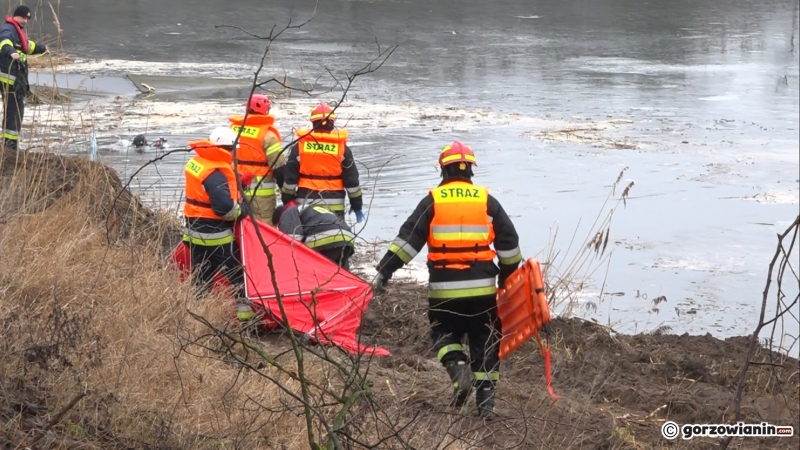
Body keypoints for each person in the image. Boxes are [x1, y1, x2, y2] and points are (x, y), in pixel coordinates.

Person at [372, 140, 523, 421]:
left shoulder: (433, 200)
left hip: (445, 290)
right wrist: (508, 277)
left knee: (443, 333)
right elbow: (510, 243)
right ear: (471, 171)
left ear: (443, 169)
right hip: (483, 290)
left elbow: (407, 242)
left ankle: (458, 370)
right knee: (486, 341)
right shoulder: (486, 200)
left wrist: (384, 271)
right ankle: (486, 405)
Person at [183, 127, 254, 322]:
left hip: (193, 231)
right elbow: (225, 208)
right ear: (227, 148)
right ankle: (246, 319)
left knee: (202, 276)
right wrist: (243, 211)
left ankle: (198, 315)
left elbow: (209, 191)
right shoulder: (215, 172)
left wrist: (240, 184)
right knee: (236, 272)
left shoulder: (199, 163)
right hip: (214, 235)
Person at [281, 102, 364, 223]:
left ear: (313, 122)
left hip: (305, 203)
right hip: (334, 206)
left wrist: (288, 201)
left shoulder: (299, 147)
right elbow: (352, 182)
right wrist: (357, 205)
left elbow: (289, 180)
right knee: (333, 237)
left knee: (304, 238)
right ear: (332, 123)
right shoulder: (342, 149)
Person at [228, 93, 285, 225]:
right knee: (263, 229)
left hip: (235, 188)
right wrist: (287, 193)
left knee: (237, 226)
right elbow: (279, 167)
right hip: (262, 195)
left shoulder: (233, 129)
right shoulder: (269, 136)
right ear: (265, 110)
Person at [0, 5, 47, 150]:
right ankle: (10, 144)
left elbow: (27, 46)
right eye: (23, 17)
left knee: (14, 108)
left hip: (14, 77)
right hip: (9, 77)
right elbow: (4, 42)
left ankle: (8, 143)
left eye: (27, 19)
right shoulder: (8, 29)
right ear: (16, 16)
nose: (26, 21)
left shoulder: (18, 30)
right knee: (15, 109)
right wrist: (10, 52)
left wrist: (42, 48)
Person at [272, 201, 356, 270]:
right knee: (340, 272)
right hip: (347, 237)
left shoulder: (287, 213)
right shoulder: (310, 209)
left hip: (324, 237)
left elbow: (293, 242)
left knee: (317, 272)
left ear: (279, 219)